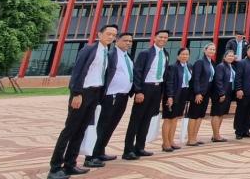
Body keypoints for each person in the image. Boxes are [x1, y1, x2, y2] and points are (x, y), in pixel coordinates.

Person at [47, 24, 117, 179]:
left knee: (81, 130)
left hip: (95, 94)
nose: (111, 37)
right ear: (99, 34)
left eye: (114, 35)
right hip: (82, 93)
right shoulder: (89, 49)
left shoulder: (107, 52)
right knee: (70, 130)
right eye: (108, 34)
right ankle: (55, 168)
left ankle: (70, 164)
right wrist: (76, 93)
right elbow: (78, 72)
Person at [123, 29, 170, 160]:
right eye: (161, 37)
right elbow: (137, 72)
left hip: (157, 89)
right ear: (154, 38)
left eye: (166, 38)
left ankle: (140, 147)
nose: (163, 39)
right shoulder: (145, 53)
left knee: (147, 119)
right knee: (136, 120)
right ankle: (128, 150)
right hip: (145, 88)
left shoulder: (165, 54)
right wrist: (138, 90)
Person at [88, 32, 133, 167]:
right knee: (102, 126)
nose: (128, 43)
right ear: (116, 41)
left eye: (130, 41)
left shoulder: (127, 57)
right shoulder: (111, 54)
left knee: (111, 126)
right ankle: (91, 156)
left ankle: (100, 151)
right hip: (110, 96)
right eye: (125, 40)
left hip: (122, 97)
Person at [160, 47, 191, 152]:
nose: (184, 56)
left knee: (175, 118)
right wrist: (169, 96)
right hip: (173, 95)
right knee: (168, 119)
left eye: (187, 54)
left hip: (183, 95)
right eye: (182, 54)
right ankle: (165, 143)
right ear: (178, 56)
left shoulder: (189, 66)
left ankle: (171, 141)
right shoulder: (173, 67)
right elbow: (169, 83)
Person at [186, 43, 215, 147]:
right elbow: (196, 78)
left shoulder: (212, 63)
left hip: (206, 93)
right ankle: (190, 139)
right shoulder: (200, 62)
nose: (212, 51)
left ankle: (194, 138)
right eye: (210, 49)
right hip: (199, 93)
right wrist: (197, 93)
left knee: (200, 115)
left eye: (214, 49)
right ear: (205, 50)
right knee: (194, 115)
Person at [210, 50, 237, 143]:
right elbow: (218, 81)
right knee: (217, 114)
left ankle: (216, 134)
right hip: (220, 93)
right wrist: (221, 93)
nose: (231, 57)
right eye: (229, 56)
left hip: (228, 92)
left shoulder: (231, 66)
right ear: (224, 57)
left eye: (232, 56)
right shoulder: (221, 66)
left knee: (221, 114)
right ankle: (216, 136)